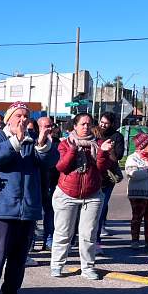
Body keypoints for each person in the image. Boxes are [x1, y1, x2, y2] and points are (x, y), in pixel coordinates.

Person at [0, 103, 57, 294]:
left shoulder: (33, 138)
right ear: (9, 119)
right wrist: (16, 140)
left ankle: (10, 293)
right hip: (3, 207)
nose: (22, 119)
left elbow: (50, 162)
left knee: (19, 256)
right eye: (18, 115)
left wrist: (42, 144)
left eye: (25, 116)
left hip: (28, 207)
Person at [49, 112, 111, 280]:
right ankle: (57, 264)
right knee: (63, 232)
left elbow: (101, 168)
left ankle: (88, 267)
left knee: (88, 234)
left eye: (89, 124)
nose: (86, 127)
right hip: (66, 193)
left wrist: (104, 152)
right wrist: (72, 150)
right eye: (82, 124)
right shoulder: (64, 143)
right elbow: (61, 167)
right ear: (74, 126)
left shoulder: (98, 144)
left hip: (92, 195)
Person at [124, 132, 148, 250]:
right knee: (137, 217)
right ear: (143, 145)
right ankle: (135, 240)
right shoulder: (133, 158)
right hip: (138, 193)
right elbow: (133, 174)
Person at [94, 111, 123, 238]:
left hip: (107, 177)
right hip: (92, 174)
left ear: (111, 124)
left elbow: (118, 156)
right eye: (102, 122)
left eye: (106, 123)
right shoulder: (94, 133)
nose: (103, 125)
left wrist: (108, 151)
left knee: (102, 206)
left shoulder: (117, 137)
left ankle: (98, 236)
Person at [36, 115, 60, 251]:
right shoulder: (32, 142)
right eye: (46, 126)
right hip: (36, 183)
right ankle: (31, 242)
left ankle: (48, 240)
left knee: (50, 213)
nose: (49, 129)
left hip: (53, 183)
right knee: (33, 215)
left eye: (51, 126)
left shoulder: (58, 143)